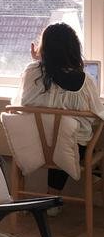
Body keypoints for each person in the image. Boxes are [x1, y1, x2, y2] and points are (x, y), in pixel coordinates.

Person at [16, 22, 104, 191]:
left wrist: (39, 61)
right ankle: (90, 178)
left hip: (33, 147)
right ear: (73, 49)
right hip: (70, 152)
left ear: (44, 49)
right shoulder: (85, 82)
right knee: (78, 135)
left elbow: (21, 104)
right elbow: (97, 112)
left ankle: (45, 197)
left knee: (55, 133)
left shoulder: (30, 72)